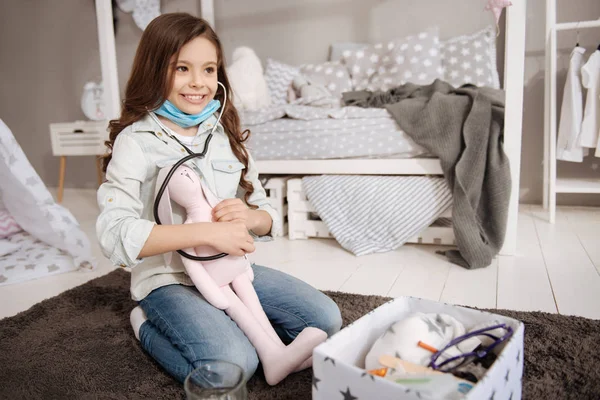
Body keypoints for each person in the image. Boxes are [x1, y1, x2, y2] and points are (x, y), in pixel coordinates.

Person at [96, 12, 342, 385]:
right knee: (234, 366)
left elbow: (266, 211)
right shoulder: (135, 142)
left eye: (209, 69)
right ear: (154, 70)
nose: (199, 83)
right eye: (182, 68)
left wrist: (250, 217)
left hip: (231, 270)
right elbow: (114, 233)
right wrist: (206, 233)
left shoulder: (224, 134)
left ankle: (232, 327)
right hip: (169, 279)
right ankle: (146, 325)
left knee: (325, 319)